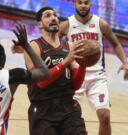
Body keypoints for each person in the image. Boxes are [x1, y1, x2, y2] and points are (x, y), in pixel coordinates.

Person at [59, 0, 128, 135]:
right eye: (80, 2)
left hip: (97, 76)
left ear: (91, 5)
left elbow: (115, 43)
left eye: (86, 3)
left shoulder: (101, 23)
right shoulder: (66, 25)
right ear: (74, 4)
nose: (83, 5)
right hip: (75, 75)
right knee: (68, 117)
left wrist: (125, 62)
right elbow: (52, 42)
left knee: (105, 116)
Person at [23, 7, 88, 135]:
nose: (53, 18)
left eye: (55, 15)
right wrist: (64, 62)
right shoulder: (34, 47)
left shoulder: (69, 46)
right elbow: (41, 82)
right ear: (40, 24)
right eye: (47, 16)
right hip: (43, 109)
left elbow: (76, 85)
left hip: (68, 107)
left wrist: (83, 66)